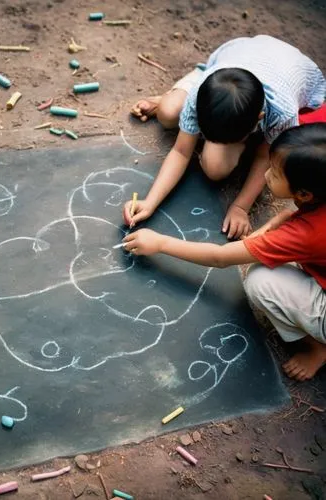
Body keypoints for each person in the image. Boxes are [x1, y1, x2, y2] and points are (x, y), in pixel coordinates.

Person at [122, 123, 326, 381]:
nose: (265, 176)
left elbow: (221, 258)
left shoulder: (305, 233)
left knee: (260, 280)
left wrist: (160, 243)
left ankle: (317, 347)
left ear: (305, 194)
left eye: (274, 173)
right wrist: (275, 223)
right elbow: (290, 216)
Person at [127, 35, 325, 239]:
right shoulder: (199, 95)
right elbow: (181, 151)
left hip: (289, 67)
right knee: (167, 114)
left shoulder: (283, 113)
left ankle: (245, 137)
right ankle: (191, 78)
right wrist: (150, 202)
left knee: (215, 169)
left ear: (259, 119)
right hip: (240, 55)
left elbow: (264, 158)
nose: (206, 141)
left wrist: (240, 207)